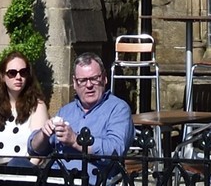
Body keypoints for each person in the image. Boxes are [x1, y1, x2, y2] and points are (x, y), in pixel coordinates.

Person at [29, 48, 133, 179]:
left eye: (94, 78)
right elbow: (34, 149)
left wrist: (75, 141)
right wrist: (43, 134)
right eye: (82, 80)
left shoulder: (118, 109)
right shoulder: (66, 111)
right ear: (74, 82)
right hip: (55, 179)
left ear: (105, 78)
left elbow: (115, 150)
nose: (89, 85)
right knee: (16, 166)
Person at [0, 50, 50, 159]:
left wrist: (25, 170)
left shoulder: (37, 105)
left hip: (22, 171)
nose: (18, 77)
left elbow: (39, 152)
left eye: (23, 72)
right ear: (2, 77)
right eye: (12, 73)